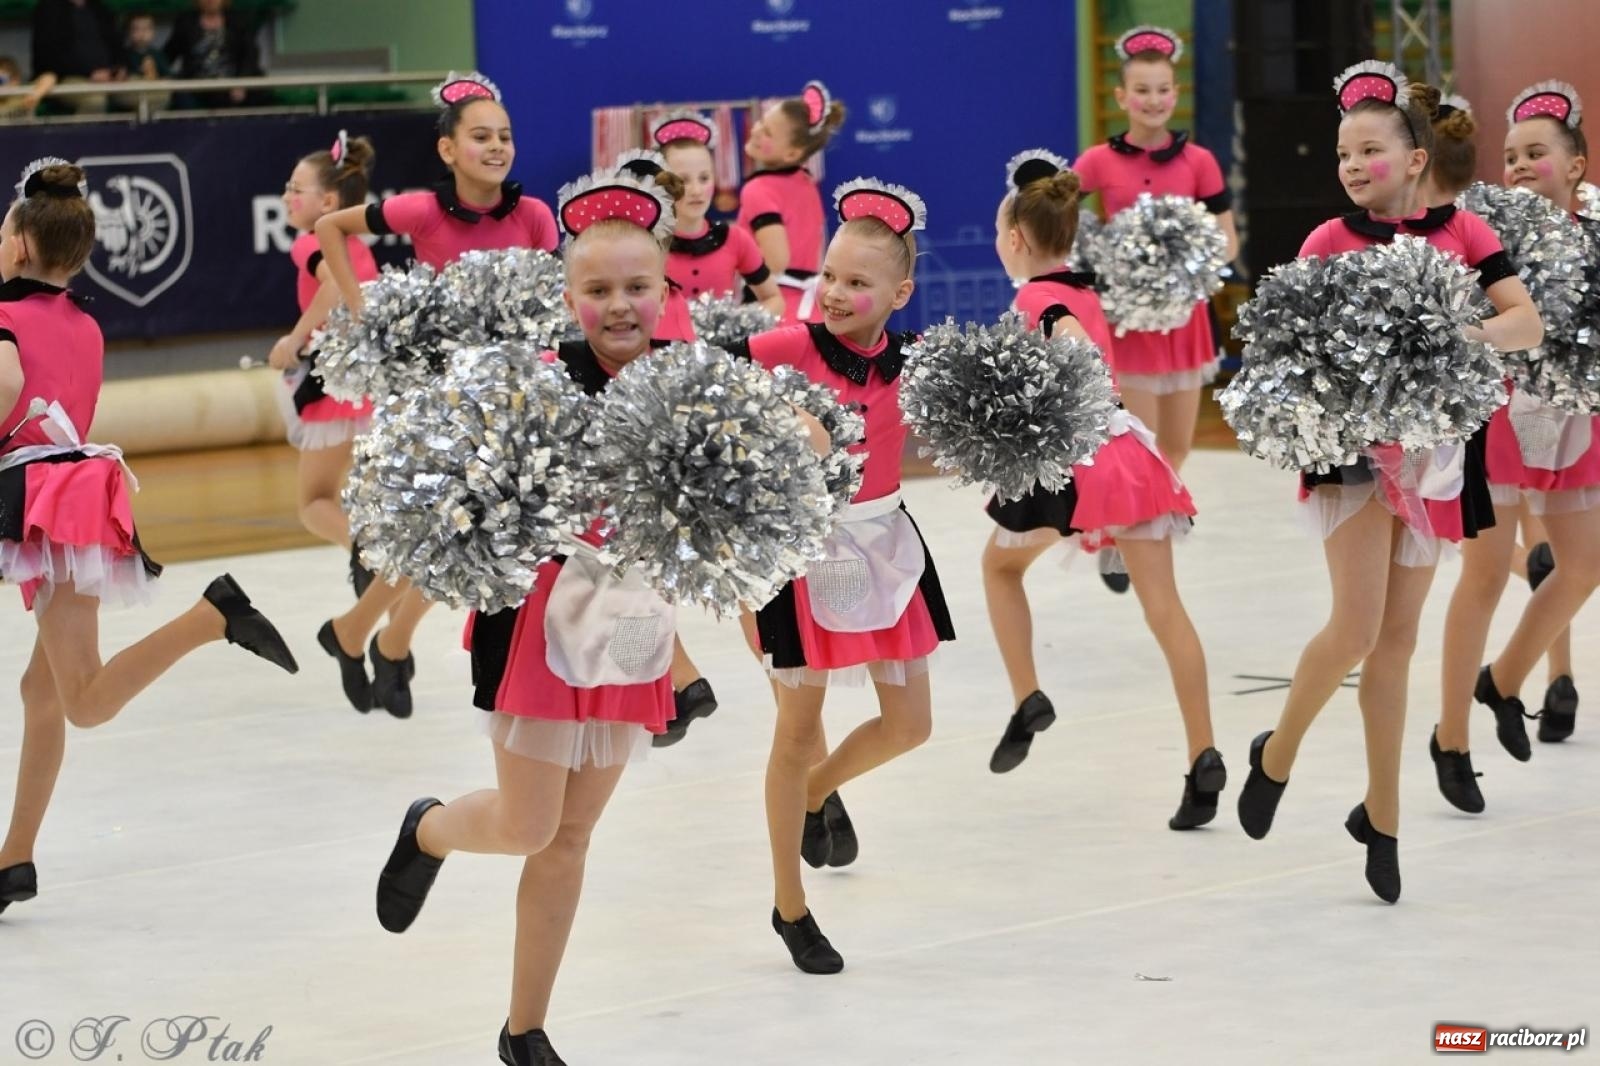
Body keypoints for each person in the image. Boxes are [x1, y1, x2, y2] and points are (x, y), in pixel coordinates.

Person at [371, 164, 683, 1066]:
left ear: (665, 289)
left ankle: (525, 1029)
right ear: (566, 293)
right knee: (527, 825)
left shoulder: (692, 386)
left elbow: (792, 449)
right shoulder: (535, 384)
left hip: (632, 630)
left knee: (574, 833)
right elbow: (459, 484)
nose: (620, 306)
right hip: (538, 623)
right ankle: (427, 828)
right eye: (597, 289)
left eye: (637, 287)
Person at [1235, 63, 1543, 903]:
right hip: (1351, 458)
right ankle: (1277, 751)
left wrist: (1459, 335)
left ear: (1414, 160)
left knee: (1398, 643)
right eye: (1343, 153)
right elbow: (1283, 357)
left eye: (1371, 148)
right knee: (1356, 628)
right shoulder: (1326, 243)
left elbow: (1525, 320)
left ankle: (1385, 817)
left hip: (1436, 460)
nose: (1352, 164)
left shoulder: (1466, 235)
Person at [0, 159, 297, 919]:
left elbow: (8, 395)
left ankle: (212, 616)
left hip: (44, 504)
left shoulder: (3, 316)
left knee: (87, 701)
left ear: (21, 249)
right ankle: (15, 859)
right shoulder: (87, 326)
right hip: (71, 498)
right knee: (43, 690)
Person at [736, 178, 955, 974]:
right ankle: (789, 906)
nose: (834, 292)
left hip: (886, 542)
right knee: (796, 730)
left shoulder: (918, 364)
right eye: (829, 275)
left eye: (858, 282)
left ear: (900, 292)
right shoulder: (789, 347)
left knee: (911, 724)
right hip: (799, 556)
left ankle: (816, 794)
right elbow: (697, 383)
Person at [982, 149, 1220, 829]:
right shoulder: (1086, 284)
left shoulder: (1037, 296)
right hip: (1132, 458)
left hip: (1076, 466)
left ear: (1018, 240)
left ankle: (1028, 695)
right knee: (1166, 611)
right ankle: (1203, 755)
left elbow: (1073, 347)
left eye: (1001, 232)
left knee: (999, 569)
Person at [313, 72, 559, 720]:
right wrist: (364, 310)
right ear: (449, 149)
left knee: (468, 537)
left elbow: (554, 304)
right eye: (481, 136)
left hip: (512, 404)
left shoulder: (533, 215)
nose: (497, 146)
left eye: (505, 136)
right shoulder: (422, 209)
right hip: (442, 400)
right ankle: (379, 639)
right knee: (446, 532)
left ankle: (369, 636)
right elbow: (331, 228)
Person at [1433, 80, 1600, 813]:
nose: (1521, 165)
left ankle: (1503, 680)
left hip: (1576, 417)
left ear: (1577, 164)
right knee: (1485, 575)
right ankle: (1452, 739)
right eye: (1510, 156)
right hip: (1499, 414)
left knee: (1586, 564)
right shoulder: (1481, 229)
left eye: (1538, 152)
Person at [1073, 26, 1239, 474]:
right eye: (1142, 90)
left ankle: (1147, 532)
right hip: (1128, 326)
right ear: (1121, 96)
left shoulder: (1199, 162)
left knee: (1176, 449)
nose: (1153, 99)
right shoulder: (1096, 161)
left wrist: (1184, 268)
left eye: (1163, 89)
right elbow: (1058, 222)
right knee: (1137, 447)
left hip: (1185, 321)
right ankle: (1126, 537)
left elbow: (1228, 242)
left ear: (1175, 94)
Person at [266, 131, 380, 639]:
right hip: (374, 381)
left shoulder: (311, 240)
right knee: (367, 493)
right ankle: (379, 565)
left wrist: (295, 338)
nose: (287, 197)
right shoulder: (359, 245)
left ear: (328, 202)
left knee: (314, 503)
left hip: (337, 381)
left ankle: (367, 551)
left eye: (296, 188)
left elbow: (334, 287)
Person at [738, 80, 846, 323]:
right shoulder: (807, 184)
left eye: (767, 132)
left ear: (792, 153)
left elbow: (776, 262)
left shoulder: (757, 189)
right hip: (812, 312)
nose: (755, 130)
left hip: (772, 312)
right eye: (761, 122)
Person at [163, 0, 262, 109]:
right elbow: (168, 55)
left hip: (231, 84)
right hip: (195, 85)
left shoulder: (239, 21)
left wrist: (241, 83)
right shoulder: (185, 22)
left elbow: (250, 55)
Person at [29, 0, 123, 114]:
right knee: (94, 101)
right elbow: (47, 58)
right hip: (64, 78)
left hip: (112, 79)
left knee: (148, 95)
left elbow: (118, 47)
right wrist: (89, 73)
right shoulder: (48, 9)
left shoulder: (102, 9)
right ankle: (86, 132)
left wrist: (119, 69)